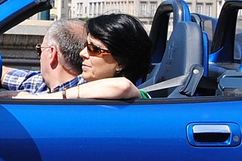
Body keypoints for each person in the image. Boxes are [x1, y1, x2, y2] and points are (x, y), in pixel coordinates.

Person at [12, 13, 152, 100]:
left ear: (121, 62)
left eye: (94, 49)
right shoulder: (84, 87)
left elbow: (123, 86)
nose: (82, 53)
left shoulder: (138, 96)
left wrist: (39, 98)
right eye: (86, 45)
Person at [1, 18, 86, 94]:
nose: (40, 58)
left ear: (52, 53)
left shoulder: (86, 91)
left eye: (39, 50)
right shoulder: (86, 89)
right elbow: (11, 76)